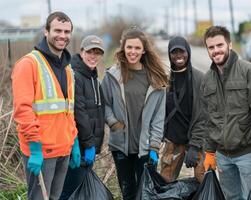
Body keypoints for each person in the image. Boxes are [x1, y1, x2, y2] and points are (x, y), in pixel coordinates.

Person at [11, 12, 81, 200]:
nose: (62, 35)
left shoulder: (67, 68)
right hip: (41, 152)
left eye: (67, 31)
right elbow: (22, 110)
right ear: (46, 31)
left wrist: (73, 141)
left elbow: (68, 111)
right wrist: (34, 148)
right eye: (57, 30)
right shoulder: (28, 64)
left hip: (63, 150)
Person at [202, 26, 251, 200]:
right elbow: (208, 118)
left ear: (230, 44)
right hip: (222, 157)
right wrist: (210, 151)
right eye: (211, 47)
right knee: (231, 198)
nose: (216, 50)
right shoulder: (207, 79)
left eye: (220, 45)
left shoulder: (249, 72)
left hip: (248, 154)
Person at [101, 27, 168, 200]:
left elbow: (158, 119)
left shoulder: (155, 79)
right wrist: (113, 123)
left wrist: (154, 147)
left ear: (144, 50)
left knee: (146, 193)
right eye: (129, 47)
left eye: (137, 48)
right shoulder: (112, 76)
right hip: (121, 147)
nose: (133, 51)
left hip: (145, 148)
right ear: (123, 48)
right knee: (128, 192)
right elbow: (104, 104)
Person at [59, 35, 106, 199]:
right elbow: (79, 113)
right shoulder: (75, 75)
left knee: (79, 192)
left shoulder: (92, 76)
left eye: (98, 52)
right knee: (70, 191)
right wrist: (88, 144)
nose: (93, 56)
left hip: (89, 147)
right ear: (81, 51)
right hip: (77, 147)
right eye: (90, 51)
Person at [160, 36, 206, 183]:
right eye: (174, 52)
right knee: (165, 183)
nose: (179, 55)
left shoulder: (200, 79)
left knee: (203, 182)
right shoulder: (166, 80)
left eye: (182, 51)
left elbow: (203, 115)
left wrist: (195, 146)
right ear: (169, 55)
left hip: (197, 140)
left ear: (188, 52)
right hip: (173, 141)